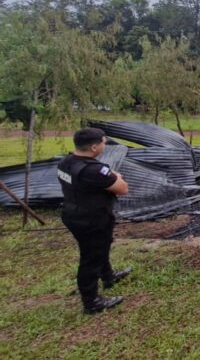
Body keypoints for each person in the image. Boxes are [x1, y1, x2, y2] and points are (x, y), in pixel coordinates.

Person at [58, 128, 132, 315]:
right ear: (93, 147)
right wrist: (116, 177)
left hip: (74, 213)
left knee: (101, 247)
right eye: (103, 142)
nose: (104, 145)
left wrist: (110, 176)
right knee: (90, 258)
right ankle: (92, 301)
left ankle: (108, 275)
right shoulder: (94, 170)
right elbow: (122, 188)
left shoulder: (66, 162)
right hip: (91, 219)